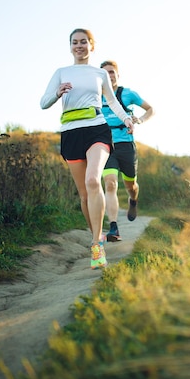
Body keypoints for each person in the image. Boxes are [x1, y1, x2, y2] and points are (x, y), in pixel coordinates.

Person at [40, 29, 134, 270]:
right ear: (70, 46)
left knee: (94, 180)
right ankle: (98, 234)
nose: (79, 46)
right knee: (84, 194)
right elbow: (43, 103)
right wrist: (57, 93)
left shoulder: (99, 73)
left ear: (92, 46)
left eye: (84, 42)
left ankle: (96, 245)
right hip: (71, 132)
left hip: (96, 129)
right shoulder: (61, 72)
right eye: (75, 42)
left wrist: (126, 120)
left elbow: (112, 101)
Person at [99, 60, 155, 241]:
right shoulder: (96, 96)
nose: (109, 75)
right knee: (110, 183)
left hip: (126, 145)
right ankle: (114, 227)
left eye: (112, 72)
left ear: (117, 74)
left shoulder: (128, 94)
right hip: (105, 146)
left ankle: (133, 200)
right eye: (105, 73)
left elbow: (150, 109)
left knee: (131, 185)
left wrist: (140, 120)